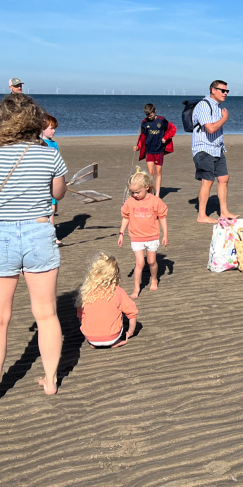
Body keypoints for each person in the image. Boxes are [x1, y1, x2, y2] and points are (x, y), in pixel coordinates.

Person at [0, 93, 68, 407]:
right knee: (47, 314)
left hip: (0, 235)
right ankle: (50, 380)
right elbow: (59, 193)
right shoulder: (48, 153)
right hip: (39, 231)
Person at [119, 170, 168, 298]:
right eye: (132, 192)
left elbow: (162, 217)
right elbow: (126, 217)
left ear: (146, 187)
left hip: (152, 236)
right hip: (136, 237)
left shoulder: (155, 201)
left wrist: (165, 235)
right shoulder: (130, 201)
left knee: (151, 262)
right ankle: (136, 289)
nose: (135, 195)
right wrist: (121, 233)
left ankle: (154, 279)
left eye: (137, 192)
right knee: (140, 263)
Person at [193, 80, 237, 224]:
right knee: (208, 181)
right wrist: (224, 118)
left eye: (227, 91)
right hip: (204, 148)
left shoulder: (218, 107)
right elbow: (211, 128)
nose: (225, 93)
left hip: (217, 148)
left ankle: (224, 212)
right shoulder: (203, 105)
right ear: (213, 90)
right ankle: (201, 215)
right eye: (222, 90)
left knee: (224, 178)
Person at [76, 253, 138, 349]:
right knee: (120, 311)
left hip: (90, 337)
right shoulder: (117, 291)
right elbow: (132, 314)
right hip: (112, 337)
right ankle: (114, 342)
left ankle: (95, 342)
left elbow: (81, 316)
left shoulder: (86, 292)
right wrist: (130, 332)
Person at [134, 103, 173, 197]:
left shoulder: (161, 120)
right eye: (147, 115)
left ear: (155, 112)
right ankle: (151, 193)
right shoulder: (144, 122)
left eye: (151, 115)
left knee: (158, 172)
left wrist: (165, 137)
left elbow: (172, 129)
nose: (149, 117)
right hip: (149, 150)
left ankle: (158, 194)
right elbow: (142, 137)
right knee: (150, 173)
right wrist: (138, 146)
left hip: (159, 149)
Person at [42, 115, 62, 244]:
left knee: (54, 209)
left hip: (53, 180)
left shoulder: (54, 144)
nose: (53, 131)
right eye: (51, 128)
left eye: (54, 128)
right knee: (49, 210)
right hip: (44, 181)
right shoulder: (39, 143)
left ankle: (50, 236)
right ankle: (51, 237)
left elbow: (58, 162)